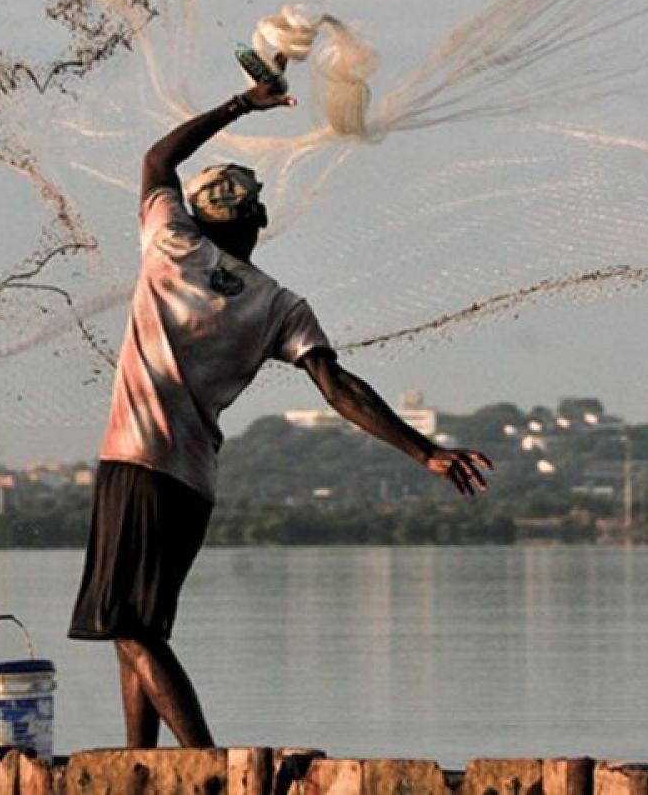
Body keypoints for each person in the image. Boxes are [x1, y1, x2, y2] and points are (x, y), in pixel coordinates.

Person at [66, 55, 493, 749]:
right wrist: (426, 452)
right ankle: (139, 766)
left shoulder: (172, 245)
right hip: (193, 482)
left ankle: (204, 764)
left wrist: (243, 102)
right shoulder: (278, 305)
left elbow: (156, 160)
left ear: (204, 218)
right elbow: (338, 386)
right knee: (137, 627)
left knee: (129, 625)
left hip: (137, 460)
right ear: (257, 219)